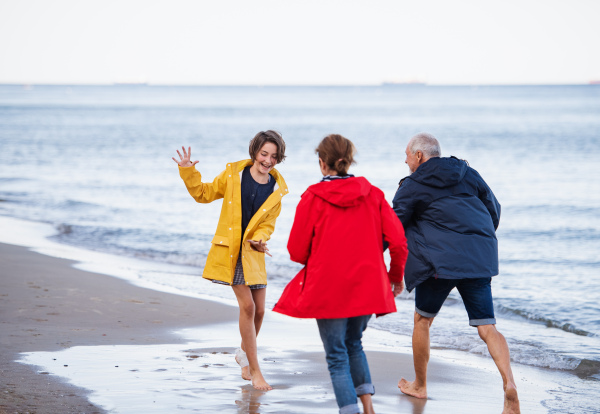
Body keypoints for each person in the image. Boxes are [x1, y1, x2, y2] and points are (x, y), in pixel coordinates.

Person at [274, 134, 408, 414]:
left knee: (336, 355)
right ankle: (368, 408)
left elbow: (296, 251)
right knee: (354, 344)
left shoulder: (313, 197)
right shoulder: (373, 194)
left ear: (323, 164)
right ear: (348, 161)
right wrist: (395, 277)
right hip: (367, 284)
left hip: (328, 286)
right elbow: (398, 241)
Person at [392, 132, 520, 414]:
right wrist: (475, 242)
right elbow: (493, 209)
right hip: (478, 257)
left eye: (407, 155)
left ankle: (420, 385)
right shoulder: (468, 173)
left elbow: (394, 224)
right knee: (487, 327)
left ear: (419, 156)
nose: (405, 160)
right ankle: (509, 383)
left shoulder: (413, 184)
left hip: (439, 264)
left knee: (422, 320)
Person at [172, 130, 288, 391]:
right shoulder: (234, 175)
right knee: (247, 307)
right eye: (264, 154)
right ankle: (256, 370)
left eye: (273, 156)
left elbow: (268, 225)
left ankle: (243, 355)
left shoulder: (278, 189)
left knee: (259, 311)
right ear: (255, 152)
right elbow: (203, 194)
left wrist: (259, 238)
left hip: (254, 254)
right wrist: (188, 171)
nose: (268, 160)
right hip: (232, 252)